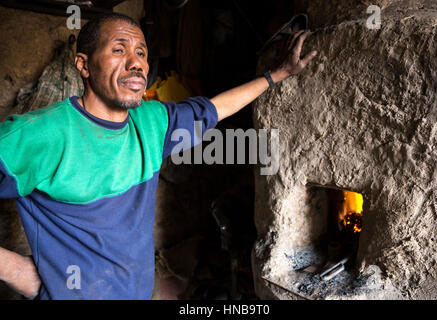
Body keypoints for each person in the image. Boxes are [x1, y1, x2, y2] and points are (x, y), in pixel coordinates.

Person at [0, 13, 317, 300]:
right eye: (119, 50)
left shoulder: (153, 122)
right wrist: (19, 273)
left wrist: (277, 75)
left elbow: (215, 108)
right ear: (83, 65)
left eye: (141, 53)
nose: (135, 61)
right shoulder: (41, 135)